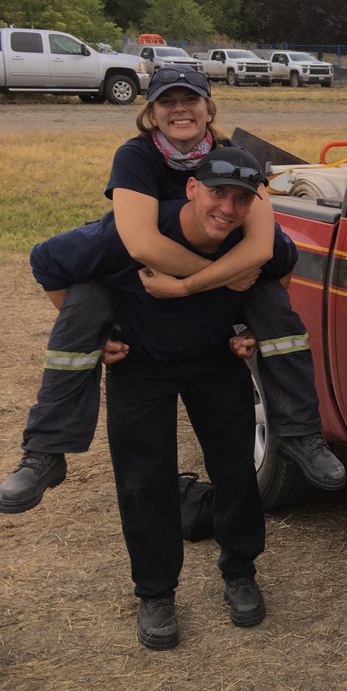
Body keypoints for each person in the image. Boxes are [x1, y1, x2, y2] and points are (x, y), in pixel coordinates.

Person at [0, 67, 344, 514]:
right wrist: (210, 281)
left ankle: (300, 434)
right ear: (151, 113)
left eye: (191, 100)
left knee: (272, 298)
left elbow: (266, 253)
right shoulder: (137, 162)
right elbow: (135, 244)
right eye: (167, 101)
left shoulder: (234, 161)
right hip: (143, 269)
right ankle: (46, 450)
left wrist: (239, 318)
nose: (180, 109)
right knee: (85, 302)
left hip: (205, 283)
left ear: (208, 108)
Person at [31, 147, 287, 648]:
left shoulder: (244, 236)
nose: (228, 209)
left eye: (240, 200)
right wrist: (94, 337)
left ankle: (240, 572)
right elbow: (48, 263)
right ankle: (155, 593)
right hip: (141, 367)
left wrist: (245, 328)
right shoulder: (126, 236)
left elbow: (276, 273)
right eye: (217, 194)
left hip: (216, 362)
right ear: (192, 189)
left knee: (235, 469)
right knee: (144, 480)